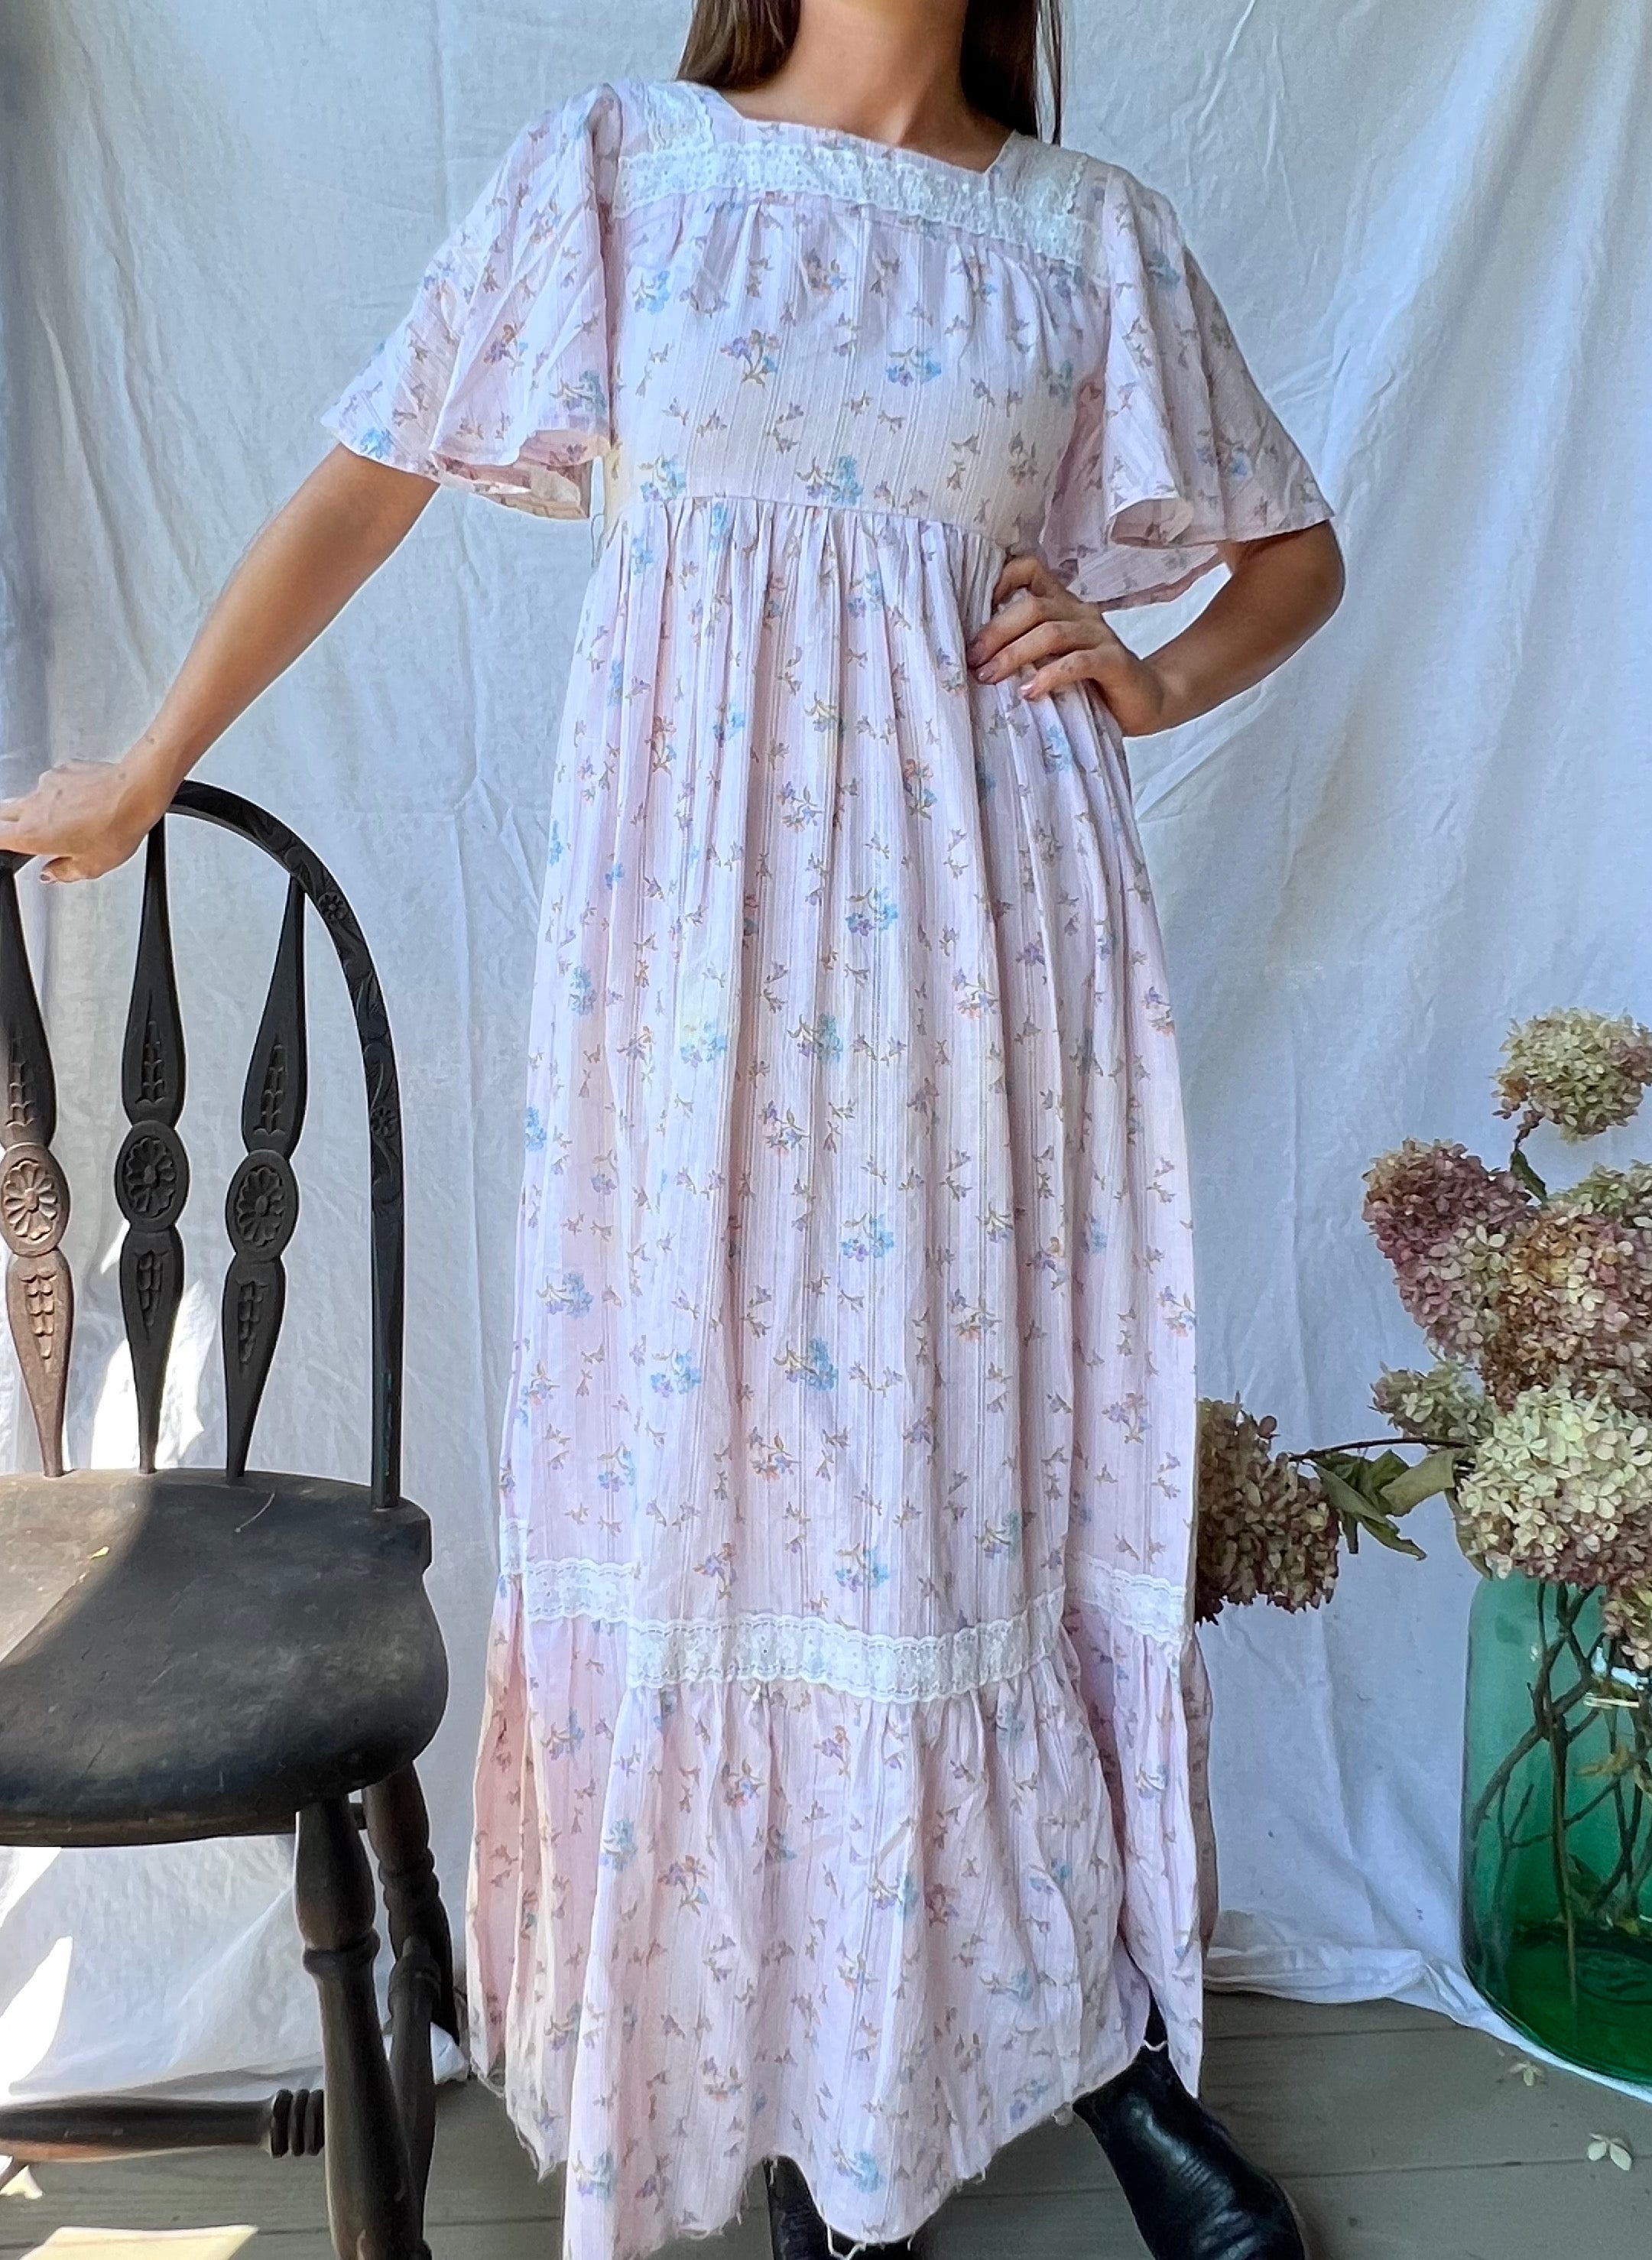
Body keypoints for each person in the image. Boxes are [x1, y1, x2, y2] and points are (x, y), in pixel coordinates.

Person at [0, 5, 1344, 2255]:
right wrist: (148, 765)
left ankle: (1085, 2033)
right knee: (720, 1493)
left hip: (984, 963)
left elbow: (1290, 551)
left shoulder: (1083, 233)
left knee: (958, 1498)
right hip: (690, 968)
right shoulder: (625, 172)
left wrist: (1154, 671)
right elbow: (372, 472)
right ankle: (794, 2091)